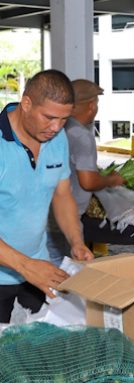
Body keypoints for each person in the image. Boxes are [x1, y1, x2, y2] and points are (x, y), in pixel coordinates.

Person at [0, 69, 93, 323]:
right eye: (49, 117)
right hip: (11, 273)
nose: (56, 128)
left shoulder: (57, 138)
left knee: (38, 350)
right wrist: (25, 266)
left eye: (64, 120)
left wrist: (76, 240)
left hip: (39, 270)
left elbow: (62, 194)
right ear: (26, 103)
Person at [46, 79, 126, 266]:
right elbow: (88, 182)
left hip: (45, 215)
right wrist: (110, 180)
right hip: (65, 220)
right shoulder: (81, 135)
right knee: (62, 278)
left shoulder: (55, 129)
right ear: (91, 106)